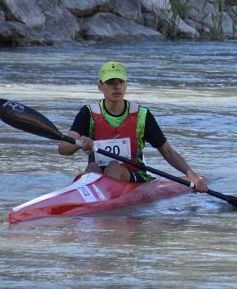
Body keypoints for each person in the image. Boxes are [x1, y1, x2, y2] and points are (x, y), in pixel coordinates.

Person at [57, 61, 208, 191]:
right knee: (92, 168)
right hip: (98, 175)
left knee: (114, 166)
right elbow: (63, 149)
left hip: (135, 175)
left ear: (126, 84)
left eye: (120, 82)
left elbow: (167, 151)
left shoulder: (142, 115)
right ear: (100, 86)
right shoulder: (88, 113)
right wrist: (80, 143)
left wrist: (193, 176)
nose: (117, 87)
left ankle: (105, 203)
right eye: (111, 83)